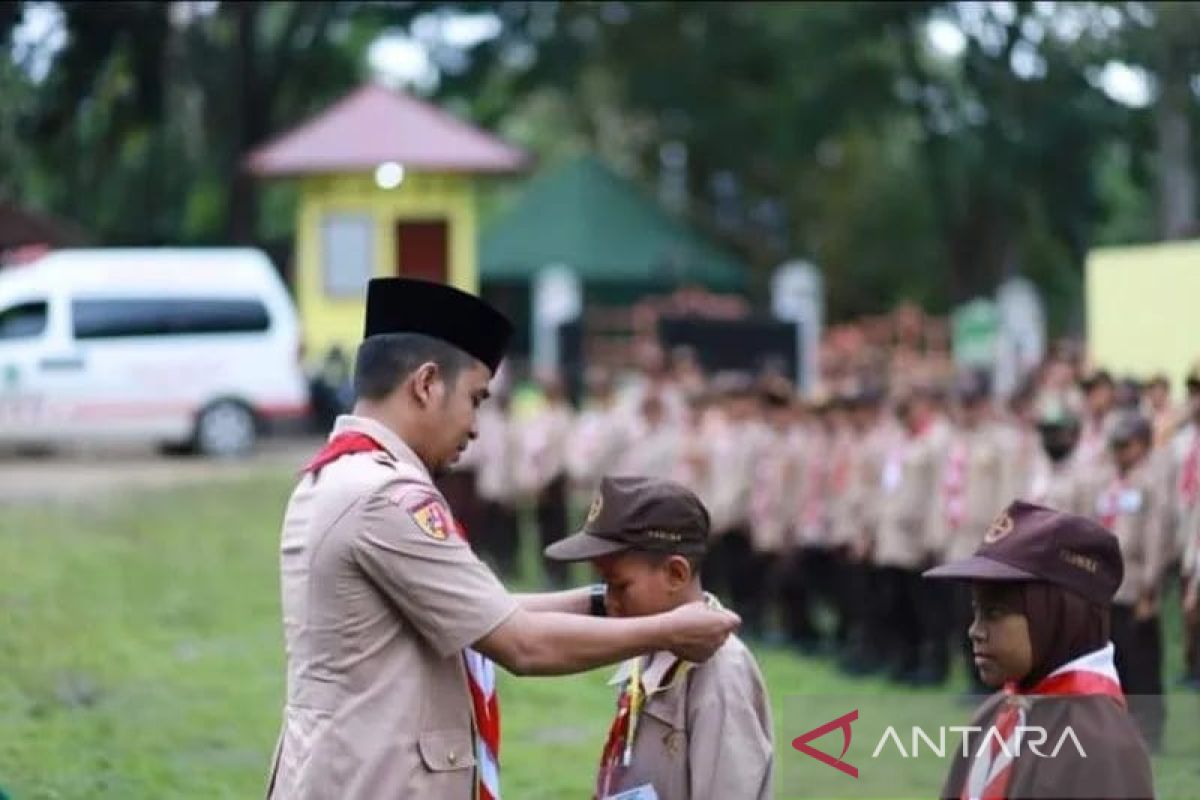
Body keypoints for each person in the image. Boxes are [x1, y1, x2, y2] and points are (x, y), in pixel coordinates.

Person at [265, 278, 740, 800]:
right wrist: (669, 630)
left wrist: (608, 602)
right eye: (474, 398)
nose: (474, 425)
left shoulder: (347, 475)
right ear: (426, 384)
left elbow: (486, 612)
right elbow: (521, 644)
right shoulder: (386, 497)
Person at [544, 475, 774, 800]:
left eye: (620, 585)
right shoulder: (651, 645)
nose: (608, 601)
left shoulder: (721, 673)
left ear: (676, 574)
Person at [925, 500, 1155, 800]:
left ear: (1056, 617)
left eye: (994, 613)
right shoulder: (995, 714)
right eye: (976, 611)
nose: (975, 630)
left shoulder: (1099, 744)